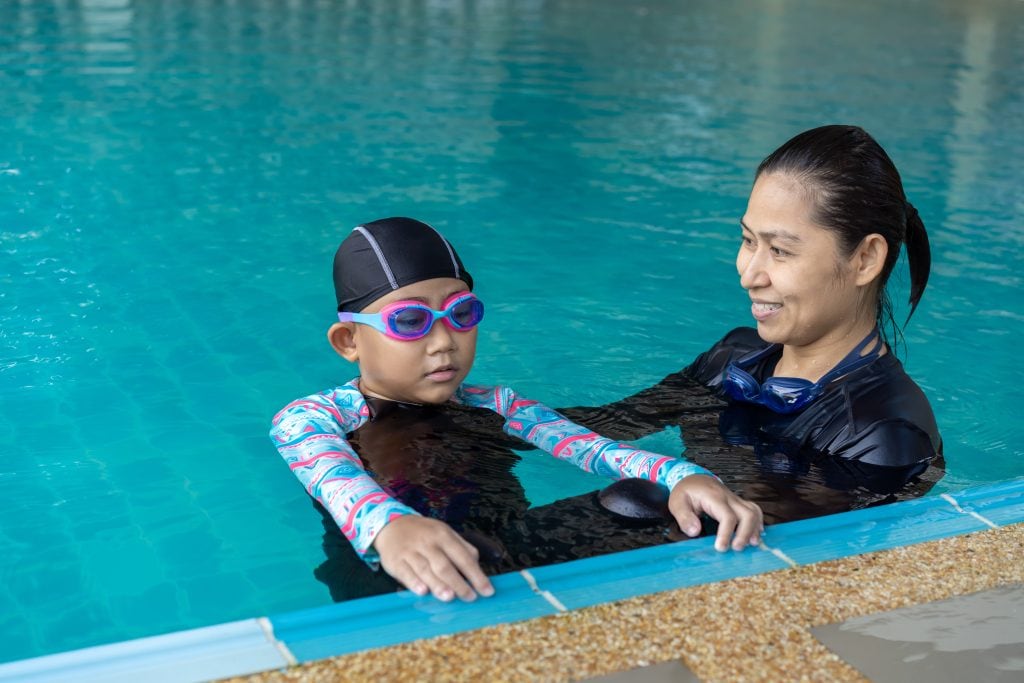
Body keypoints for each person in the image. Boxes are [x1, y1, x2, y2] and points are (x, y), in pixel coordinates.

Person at [269, 217, 763, 604]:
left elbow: (594, 450)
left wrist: (683, 476)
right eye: (412, 320)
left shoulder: (498, 404)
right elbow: (334, 478)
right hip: (389, 573)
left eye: (461, 314)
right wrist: (389, 528)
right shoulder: (311, 419)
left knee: (648, 502)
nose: (444, 343)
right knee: (457, 565)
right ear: (349, 340)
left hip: (508, 548)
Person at [561, 125, 944, 523]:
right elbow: (605, 426)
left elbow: (785, 558)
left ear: (864, 259)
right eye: (748, 241)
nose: (748, 274)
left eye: (779, 250)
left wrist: (685, 481)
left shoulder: (882, 435)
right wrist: (499, 410)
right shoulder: (733, 357)